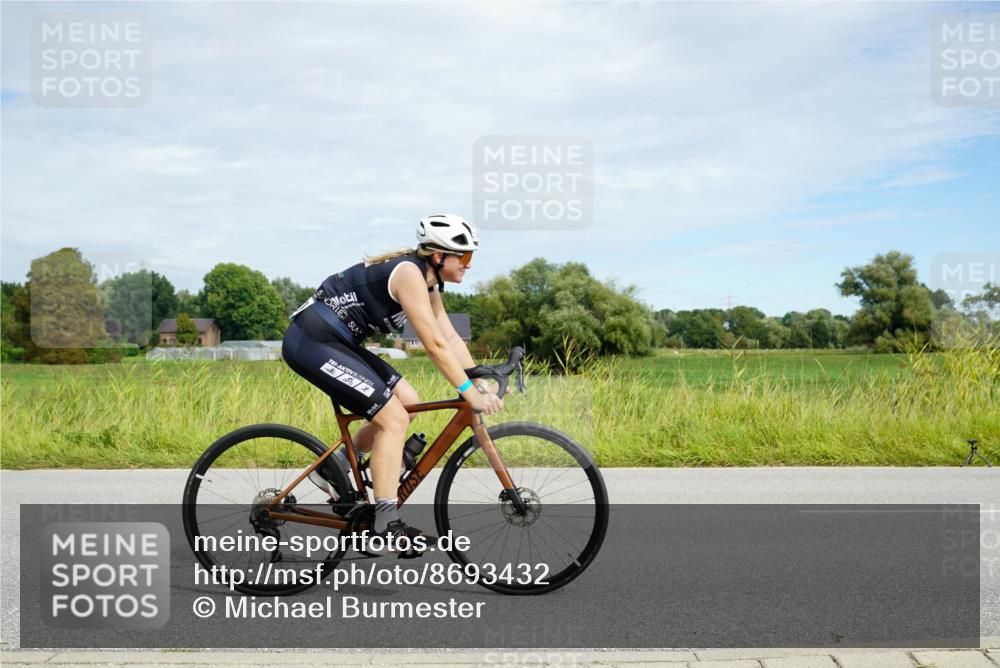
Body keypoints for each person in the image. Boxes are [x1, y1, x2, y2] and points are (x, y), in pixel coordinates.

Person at [281, 213, 504, 548]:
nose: (469, 265)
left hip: (338, 342)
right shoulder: (409, 275)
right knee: (394, 418)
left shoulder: (429, 283)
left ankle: (336, 466)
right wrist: (468, 392)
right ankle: (384, 523)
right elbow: (433, 343)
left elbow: (452, 339)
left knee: (408, 403)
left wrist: (480, 379)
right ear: (440, 256)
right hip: (311, 340)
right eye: (466, 256)